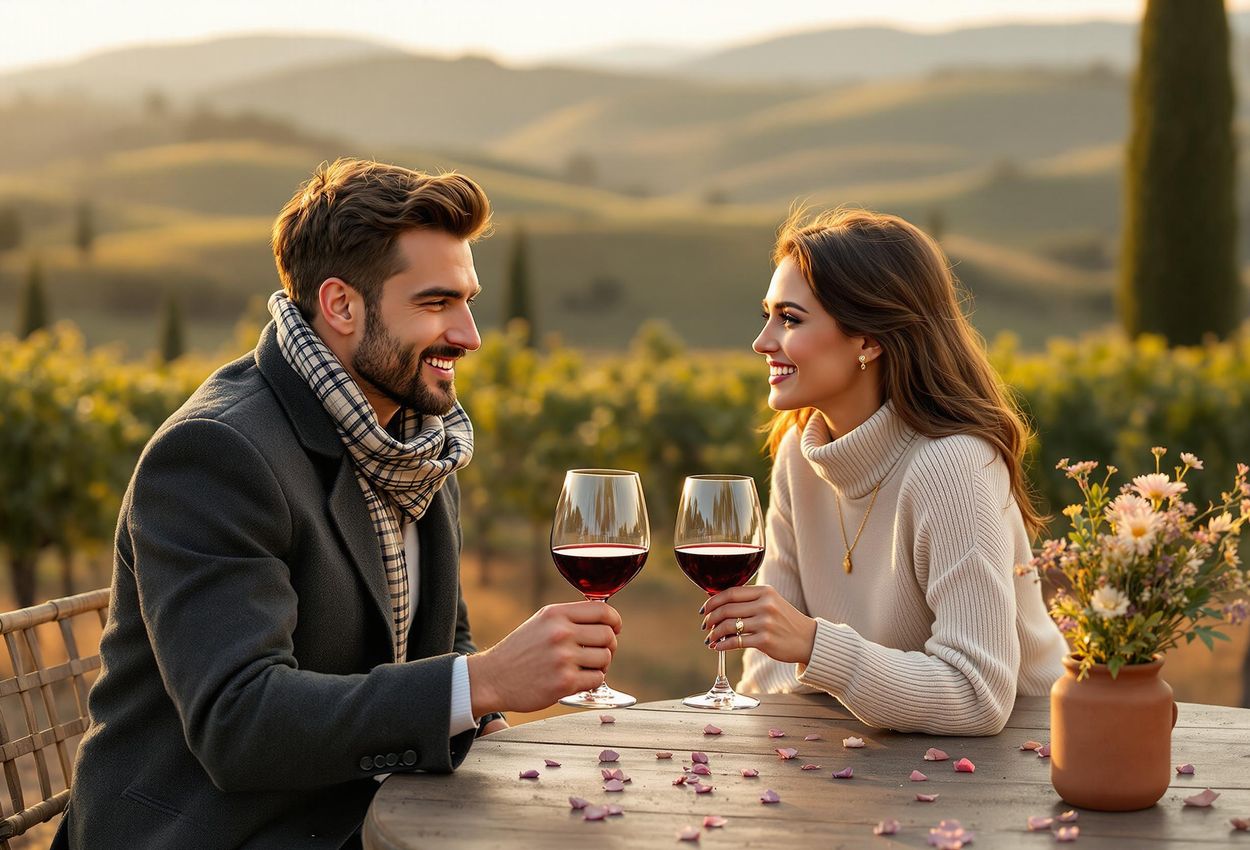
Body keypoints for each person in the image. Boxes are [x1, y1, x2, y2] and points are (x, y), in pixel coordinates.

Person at [55, 159, 622, 849]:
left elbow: (441, 637)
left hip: (364, 815)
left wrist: (487, 718)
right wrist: (485, 681)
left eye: (468, 301)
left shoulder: (416, 442)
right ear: (342, 305)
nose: (471, 336)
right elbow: (240, 723)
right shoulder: (216, 454)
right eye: (437, 303)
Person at [701, 207, 1067, 736]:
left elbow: (977, 695)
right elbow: (768, 675)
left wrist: (813, 644)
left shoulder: (953, 466)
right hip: (875, 762)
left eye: (790, 318)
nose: (763, 342)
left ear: (868, 341)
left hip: (1020, 763)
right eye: (767, 315)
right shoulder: (798, 459)